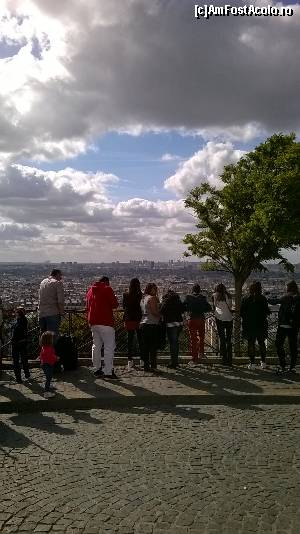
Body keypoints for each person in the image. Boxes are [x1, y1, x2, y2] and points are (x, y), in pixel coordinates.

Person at [86, 276, 119, 379]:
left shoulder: (90, 290)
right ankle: (108, 371)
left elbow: (87, 306)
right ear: (106, 282)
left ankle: (97, 368)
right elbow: (115, 304)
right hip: (106, 321)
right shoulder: (107, 289)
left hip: (93, 322)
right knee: (109, 347)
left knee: (96, 346)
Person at [241, 281, 270, 370]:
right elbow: (267, 311)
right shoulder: (263, 299)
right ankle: (263, 362)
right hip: (261, 324)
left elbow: (242, 312)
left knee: (251, 344)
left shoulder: (246, 298)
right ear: (260, 288)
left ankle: (252, 363)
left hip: (249, 325)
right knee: (261, 343)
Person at [275, 281, 300, 375]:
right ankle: (292, 367)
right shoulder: (298, 298)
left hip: (283, 325)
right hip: (294, 325)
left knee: (278, 344)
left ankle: (283, 365)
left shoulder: (286, 297)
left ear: (288, 288)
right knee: (293, 346)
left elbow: (275, 301)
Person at [184, 284, 212, 364]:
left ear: (192, 290)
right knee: (201, 337)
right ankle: (201, 353)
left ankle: (194, 359)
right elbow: (209, 308)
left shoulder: (188, 297)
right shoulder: (203, 298)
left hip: (192, 319)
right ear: (199, 290)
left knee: (193, 339)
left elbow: (184, 307)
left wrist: (189, 310)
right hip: (201, 319)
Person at [160, 289, 185, 369]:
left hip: (171, 324)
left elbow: (162, 311)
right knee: (175, 342)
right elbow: (182, 310)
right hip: (179, 324)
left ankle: (174, 362)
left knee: (172, 343)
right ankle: (175, 361)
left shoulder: (166, 301)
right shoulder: (178, 300)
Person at [140, 283, 160, 372]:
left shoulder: (143, 298)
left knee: (146, 347)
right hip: (151, 324)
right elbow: (154, 312)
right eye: (154, 289)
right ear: (150, 289)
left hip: (143, 324)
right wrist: (161, 315)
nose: (156, 290)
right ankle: (153, 366)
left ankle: (146, 366)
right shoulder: (152, 298)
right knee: (153, 347)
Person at [123, 278, 143, 370]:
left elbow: (124, 306)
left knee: (130, 340)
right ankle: (142, 359)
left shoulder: (125, 294)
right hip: (138, 319)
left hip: (129, 318)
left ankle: (129, 360)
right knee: (140, 339)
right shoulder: (140, 295)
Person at [38, 269, 64, 339]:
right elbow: (60, 301)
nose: (61, 277)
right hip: (52, 313)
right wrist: (62, 313)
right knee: (52, 338)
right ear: (57, 274)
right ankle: (51, 350)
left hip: (41, 313)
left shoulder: (43, 282)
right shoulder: (58, 283)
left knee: (43, 337)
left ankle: (43, 350)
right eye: (60, 275)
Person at [212, 283, 233, 367]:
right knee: (229, 339)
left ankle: (224, 358)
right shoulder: (228, 295)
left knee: (222, 338)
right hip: (229, 318)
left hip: (220, 319)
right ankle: (230, 359)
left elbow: (214, 307)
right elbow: (230, 306)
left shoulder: (214, 295)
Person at [11, 307, 30, 383]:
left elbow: (16, 333)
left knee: (16, 361)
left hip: (16, 343)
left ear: (18, 314)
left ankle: (18, 378)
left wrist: (13, 339)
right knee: (24, 359)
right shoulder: (24, 321)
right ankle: (27, 373)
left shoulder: (18, 323)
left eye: (16, 313)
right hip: (23, 343)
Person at [39, 331, 58, 398]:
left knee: (49, 377)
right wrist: (56, 358)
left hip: (44, 364)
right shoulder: (50, 348)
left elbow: (41, 355)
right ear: (49, 340)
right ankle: (46, 392)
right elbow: (51, 356)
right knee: (48, 377)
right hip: (48, 364)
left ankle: (48, 385)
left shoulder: (44, 347)